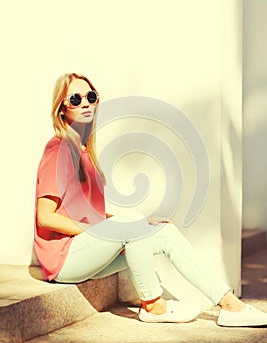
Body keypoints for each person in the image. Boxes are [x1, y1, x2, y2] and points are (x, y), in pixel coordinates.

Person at [34, 72, 267, 327]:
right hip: (64, 260)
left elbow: (91, 216)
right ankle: (153, 305)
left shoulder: (85, 154)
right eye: (75, 99)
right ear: (62, 110)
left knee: (163, 232)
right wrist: (106, 230)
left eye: (90, 96)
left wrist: (134, 224)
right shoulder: (57, 150)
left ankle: (229, 304)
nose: (86, 103)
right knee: (131, 222)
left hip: (86, 250)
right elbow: (45, 218)